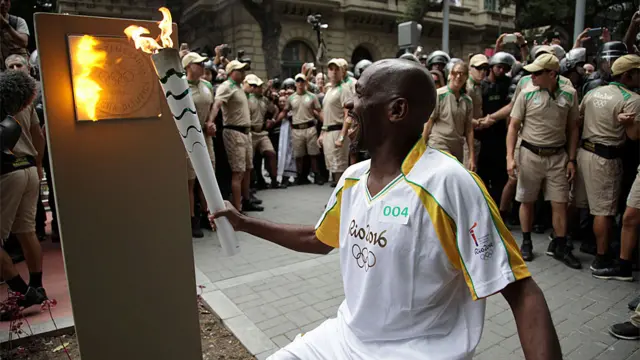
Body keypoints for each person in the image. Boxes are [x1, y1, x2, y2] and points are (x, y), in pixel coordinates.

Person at [211, 59, 561, 360]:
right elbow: (317, 239)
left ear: (396, 110)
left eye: (361, 94)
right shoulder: (353, 178)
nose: (348, 103)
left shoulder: (448, 184)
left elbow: (522, 291)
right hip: (343, 340)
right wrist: (243, 223)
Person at [507, 54, 581, 269]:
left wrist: (572, 159)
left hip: (558, 156)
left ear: (552, 74)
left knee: (560, 202)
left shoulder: (570, 94)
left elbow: (573, 127)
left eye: (537, 73)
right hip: (530, 154)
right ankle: (527, 241)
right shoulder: (527, 93)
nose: (532, 76)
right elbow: (513, 126)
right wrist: (510, 157)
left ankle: (559, 245)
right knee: (526, 199)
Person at [574, 54, 640, 276]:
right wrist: (629, 124)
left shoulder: (592, 92)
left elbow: (579, 120)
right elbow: (634, 136)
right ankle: (601, 259)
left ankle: (573, 241)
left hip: (584, 153)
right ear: (628, 75)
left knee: (586, 206)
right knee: (604, 211)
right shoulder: (632, 99)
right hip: (606, 159)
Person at [0, 70, 47, 320]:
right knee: (26, 231)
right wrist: (38, 164)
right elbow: (38, 136)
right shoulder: (22, 100)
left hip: (6, 171)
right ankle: (37, 286)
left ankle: (22, 292)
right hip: (28, 167)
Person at [211, 60, 263, 212]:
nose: (243, 73)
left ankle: (246, 200)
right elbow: (217, 104)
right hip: (234, 132)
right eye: (240, 70)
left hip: (246, 133)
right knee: (238, 171)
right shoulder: (226, 87)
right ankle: (237, 208)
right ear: (231, 72)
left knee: (247, 169)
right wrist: (210, 121)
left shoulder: (239, 88)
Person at [423, 61, 476, 171]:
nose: (458, 76)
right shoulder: (439, 95)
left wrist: (471, 156)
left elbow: (469, 129)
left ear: (466, 77)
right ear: (450, 75)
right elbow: (429, 123)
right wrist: (421, 147)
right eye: (455, 73)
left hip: (457, 145)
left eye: (462, 74)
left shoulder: (467, 101)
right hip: (439, 142)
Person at [281, 73, 324, 185]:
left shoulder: (312, 97)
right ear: (295, 83)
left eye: (302, 81)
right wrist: (275, 120)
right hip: (297, 129)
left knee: (313, 154)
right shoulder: (291, 98)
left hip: (310, 127)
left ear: (305, 83)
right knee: (299, 155)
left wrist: (325, 125)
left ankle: (316, 175)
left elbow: (319, 112)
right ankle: (300, 176)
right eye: (298, 81)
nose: (300, 83)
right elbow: (285, 111)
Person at [319, 59, 354, 187]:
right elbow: (326, 114)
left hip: (338, 132)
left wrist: (342, 136)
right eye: (331, 69)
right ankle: (336, 201)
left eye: (337, 69)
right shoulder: (329, 90)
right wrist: (322, 133)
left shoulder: (344, 89)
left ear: (342, 71)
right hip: (328, 132)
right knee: (333, 169)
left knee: (340, 168)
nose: (333, 72)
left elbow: (348, 115)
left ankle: (342, 201)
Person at [245, 74, 282, 189]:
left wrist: (273, 120)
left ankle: (274, 180)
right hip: (250, 131)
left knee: (270, 153)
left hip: (262, 132)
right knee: (251, 159)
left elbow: (275, 109)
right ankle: (253, 182)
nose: (261, 89)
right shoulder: (247, 99)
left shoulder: (264, 100)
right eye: (259, 87)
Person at [0, 0, 29, 71]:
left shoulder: (18, 21)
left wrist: (6, 25)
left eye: (6, 0)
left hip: (18, 71)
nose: (3, 3)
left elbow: (24, 42)